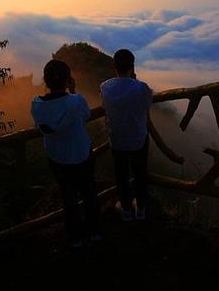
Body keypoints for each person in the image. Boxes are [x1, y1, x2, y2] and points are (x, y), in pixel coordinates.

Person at [31, 59, 102, 248]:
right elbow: (86, 115)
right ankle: (94, 232)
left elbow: (39, 125)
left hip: (57, 158)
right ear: (67, 80)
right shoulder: (76, 102)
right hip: (80, 155)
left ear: (45, 81)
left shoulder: (36, 105)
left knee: (68, 197)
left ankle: (75, 238)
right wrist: (73, 92)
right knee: (88, 194)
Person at [100, 49, 153, 221]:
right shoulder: (141, 87)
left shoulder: (105, 87)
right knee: (140, 173)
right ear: (132, 66)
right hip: (138, 138)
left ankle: (125, 209)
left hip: (117, 139)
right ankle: (141, 208)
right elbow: (147, 104)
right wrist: (134, 80)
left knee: (121, 175)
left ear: (114, 66)